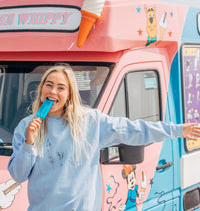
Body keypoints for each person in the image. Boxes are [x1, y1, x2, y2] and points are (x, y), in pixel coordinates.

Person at [8, 64, 200, 211]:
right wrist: (29, 143)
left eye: (61, 88)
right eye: (48, 85)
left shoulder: (89, 121)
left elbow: (133, 130)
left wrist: (177, 130)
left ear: (69, 94)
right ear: (41, 89)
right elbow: (18, 175)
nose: (53, 91)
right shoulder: (26, 127)